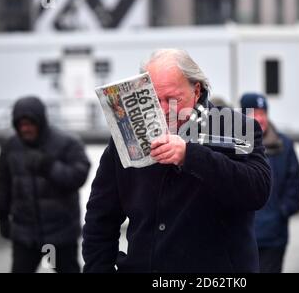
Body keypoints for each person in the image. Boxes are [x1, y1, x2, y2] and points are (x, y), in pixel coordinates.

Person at [82, 49, 271, 273]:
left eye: (172, 99)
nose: (163, 109)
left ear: (196, 89)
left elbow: (257, 190)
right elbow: (100, 218)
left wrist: (190, 156)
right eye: (155, 98)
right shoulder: (126, 136)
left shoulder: (236, 126)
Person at [0, 96, 91, 273]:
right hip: (25, 235)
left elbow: (79, 176)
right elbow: (3, 184)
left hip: (60, 235)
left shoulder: (68, 143)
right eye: (21, 125)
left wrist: (48, 166)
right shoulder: (10, 146)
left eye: (30, 123)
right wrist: (2, 216)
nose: (26, 129)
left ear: (41, 121)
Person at [240, 93, 299, 273]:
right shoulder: (232, 145)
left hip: (274, 236)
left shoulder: (284, 145)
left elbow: (295, 185)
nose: (259, 118)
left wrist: (281, 212)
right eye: (254, 113)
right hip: (243, 237)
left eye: (263, 113)